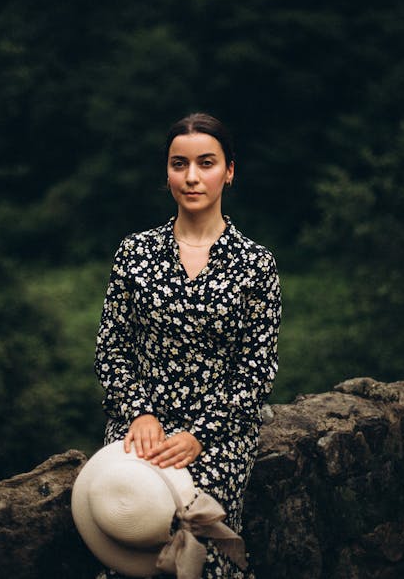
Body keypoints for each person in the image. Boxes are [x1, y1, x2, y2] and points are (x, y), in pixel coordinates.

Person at [94, 112, 282, 579]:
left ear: (230, 171)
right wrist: (139, 412)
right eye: (180, 164)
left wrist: (201, 434)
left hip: (219, 430)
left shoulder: (256, 264)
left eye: (206, 163)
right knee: (127, 522)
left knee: (195, 535)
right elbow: (111, 345)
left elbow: (257, 368)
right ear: (167, 172)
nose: (192, 177)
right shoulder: (134, 252)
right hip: (141, 426)